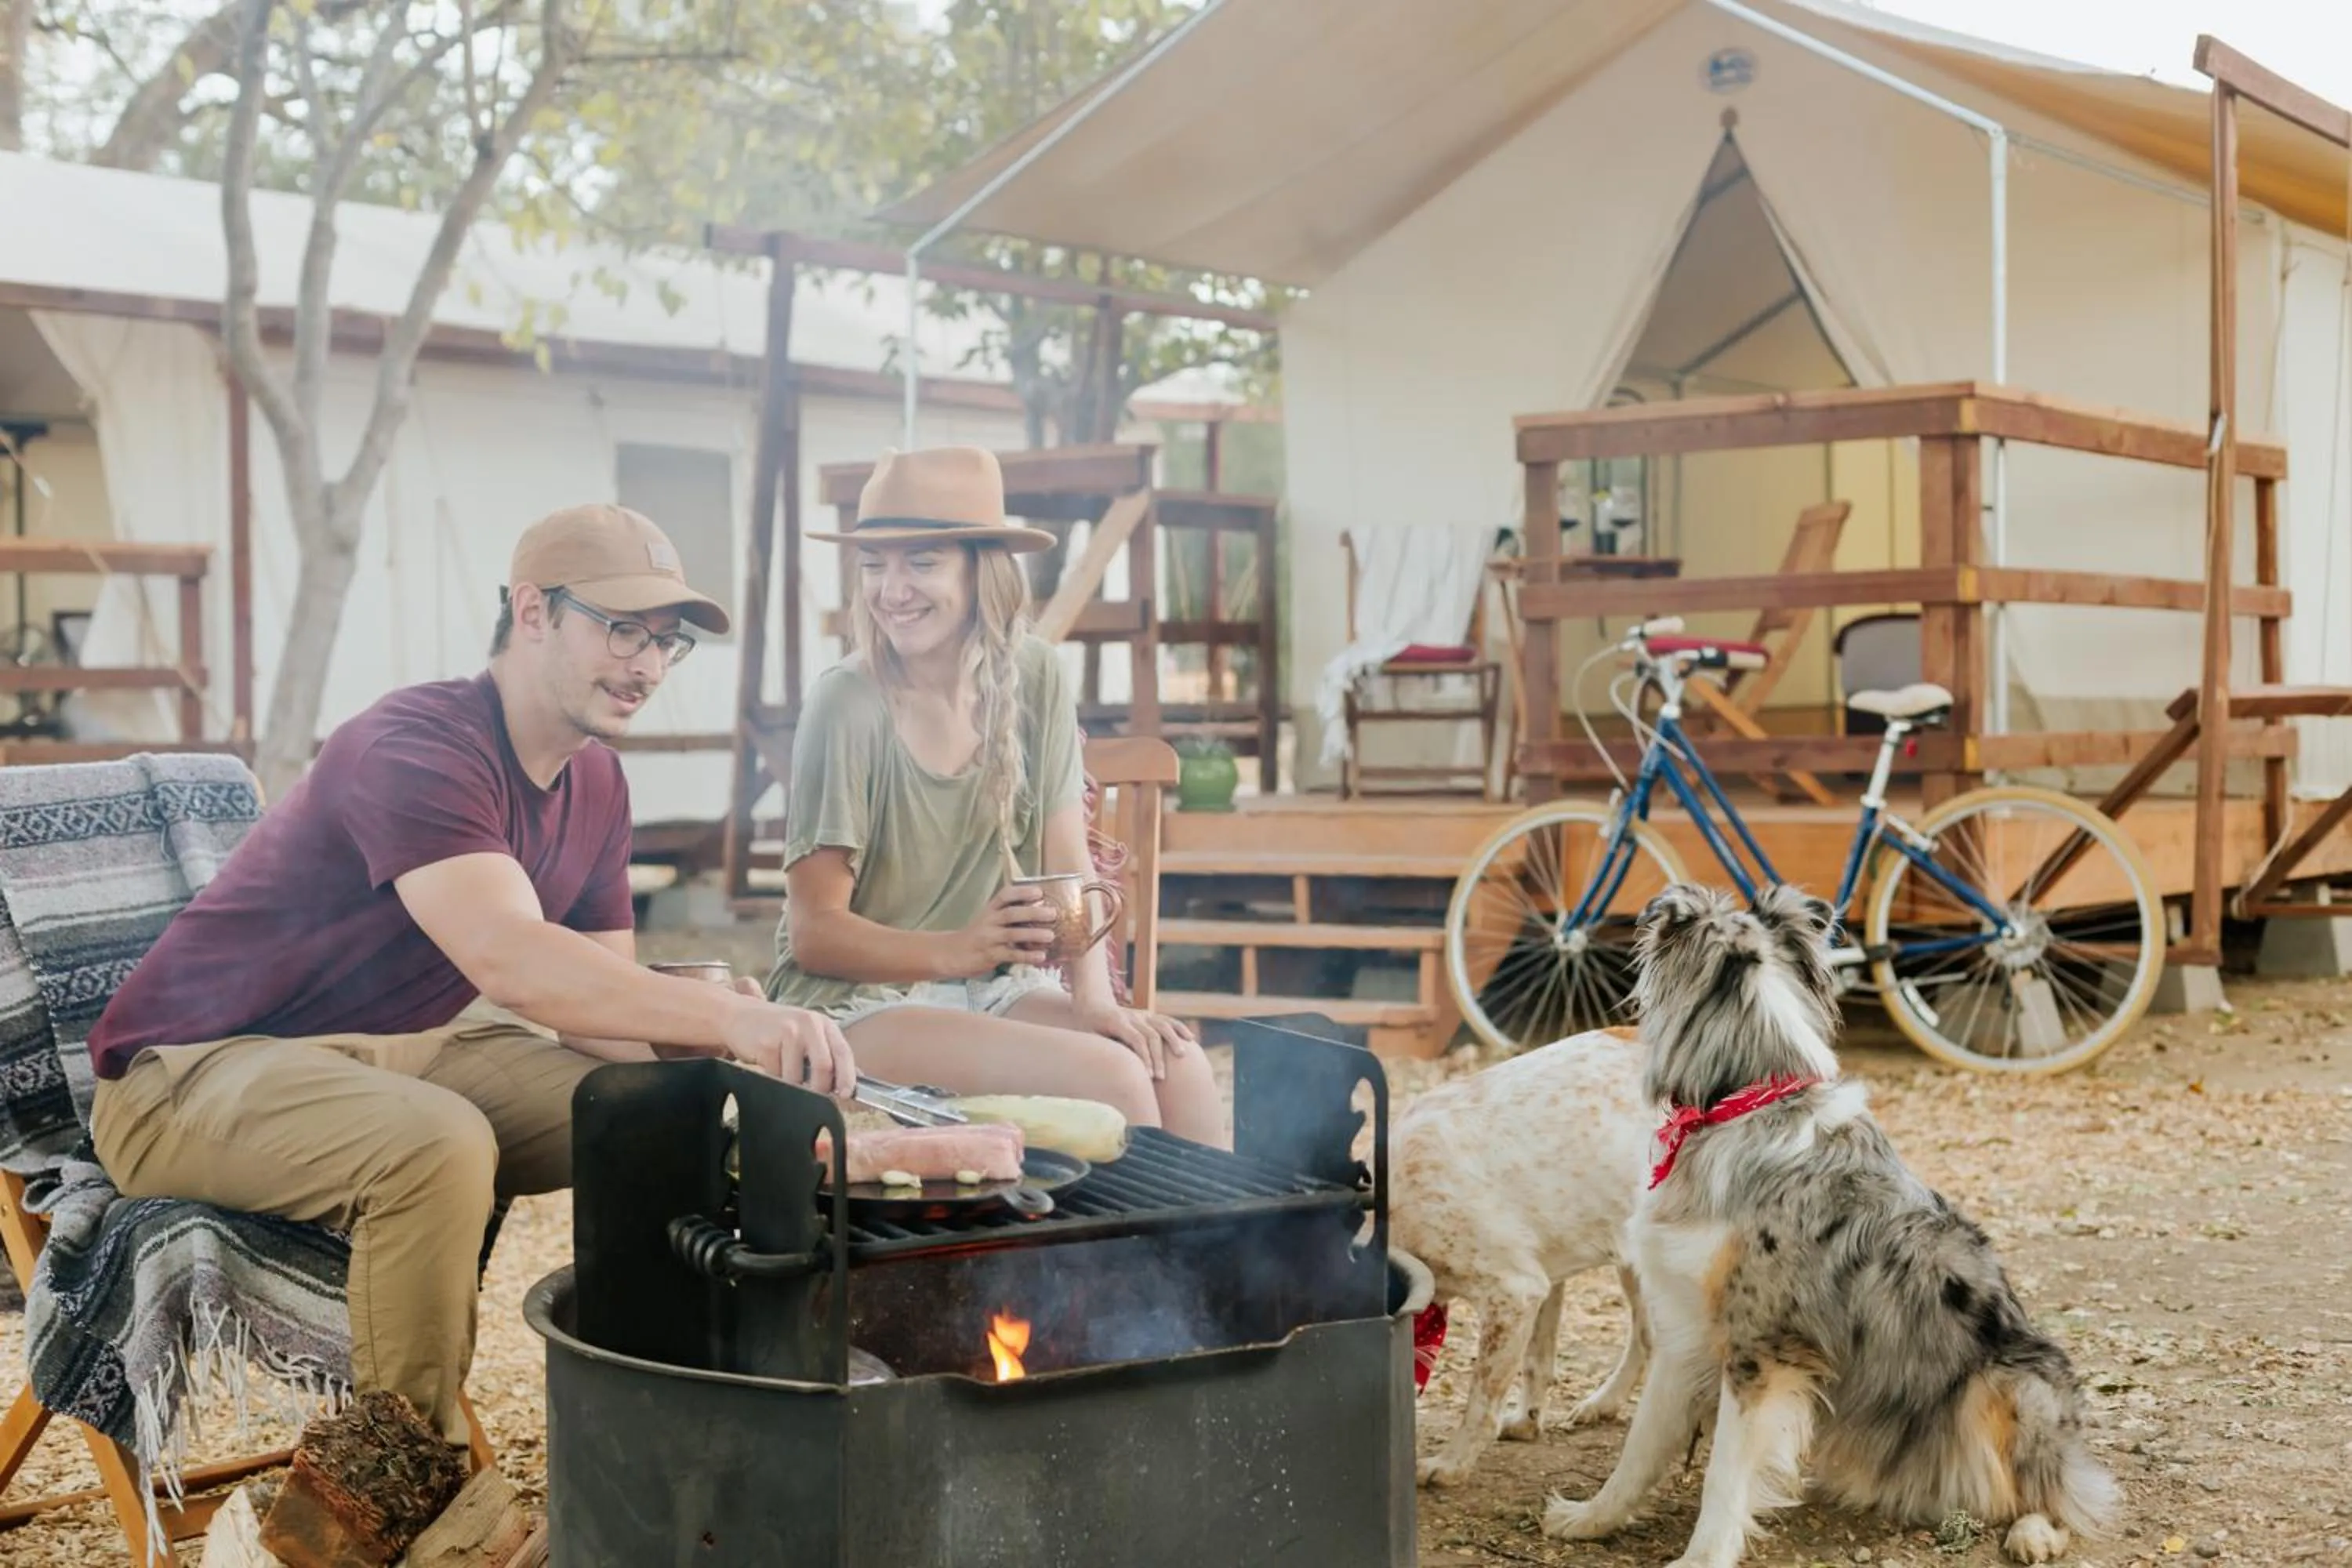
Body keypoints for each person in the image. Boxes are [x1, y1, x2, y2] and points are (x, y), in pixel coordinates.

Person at [84, 503, 855, 1454]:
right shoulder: (417, 741)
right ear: (532, 611)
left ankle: (670, 1419)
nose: (648, 666)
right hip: (192, 1073)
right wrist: (718, 1020)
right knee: (438, 1145)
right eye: (622, 629)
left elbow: (598, 1009)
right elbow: (511, 958)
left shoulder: (599, 782)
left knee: (667, 1106)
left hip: (399, 1051)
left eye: (666, 641)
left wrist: (716, 1039)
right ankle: (405, 1484)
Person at [766, 445, 1223, 1145]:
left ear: (983, 568)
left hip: (993, 989)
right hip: (852, 1007)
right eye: (874, 564)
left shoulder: (1033, 673)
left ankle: (1219, 1258)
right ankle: (1112, 1259)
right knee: (1116, 1082)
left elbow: (1066, 866)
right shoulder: (847, 704)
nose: (892, 589)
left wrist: (1096, 1001)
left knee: (1176, 1066)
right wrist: (961, 949)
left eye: (921, 562)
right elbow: (815, 935)